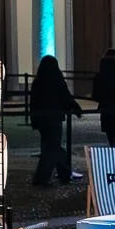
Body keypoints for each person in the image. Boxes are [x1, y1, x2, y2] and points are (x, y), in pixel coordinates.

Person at [28, 55, 83, 186]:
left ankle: (64, 173)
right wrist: (76, 108)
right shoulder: (57, 80)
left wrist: (34, 120)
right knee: (53, 148)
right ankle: (42, 178)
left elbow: (33, 102)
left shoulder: (38, 82)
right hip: (54, 118)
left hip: (42, 119)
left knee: (50, 146)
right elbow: (65, 97)